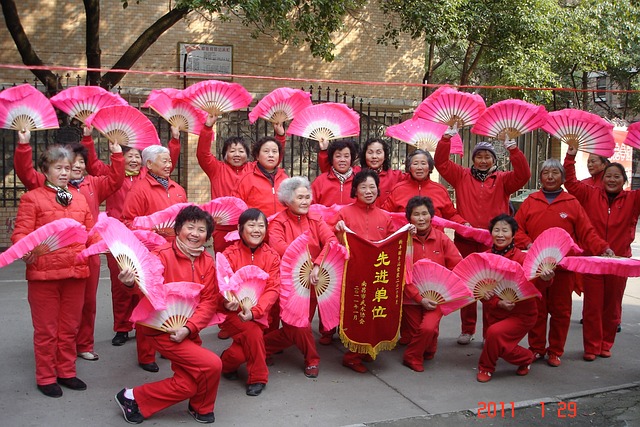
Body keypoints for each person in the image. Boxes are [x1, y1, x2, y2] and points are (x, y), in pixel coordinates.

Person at [14, 129, 124, 361]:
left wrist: (117, 154)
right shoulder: (42, 187)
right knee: (55, 311)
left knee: (87, 303)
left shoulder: (93, 184)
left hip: (86, 254)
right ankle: (56, 350)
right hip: (52, 257)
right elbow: (25, 172)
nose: (74, 167)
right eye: (67, 164)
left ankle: (83, 344)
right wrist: (24, 145)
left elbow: (116, 180)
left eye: (80, 162)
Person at [115, 206, 222, 424]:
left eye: (201, 230)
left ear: (208, 236)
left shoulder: (208, 261)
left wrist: (189, 328)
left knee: (189, 383)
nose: (194, 233)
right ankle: (201, 406)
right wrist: (129, 283)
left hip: (188, 328)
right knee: (212, 364)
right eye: (189, 227)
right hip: (160, 330)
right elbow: (144, 288)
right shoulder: (161, 256)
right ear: (177, 229)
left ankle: (133, 398)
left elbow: (209, 301)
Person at [82, 127, 179, 348]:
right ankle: (122, 327)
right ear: (120, 158)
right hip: (119, 238)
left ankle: (144, 324)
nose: (134, 159)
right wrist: (88, 138)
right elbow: (92, 163)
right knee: (122, 285)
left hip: (147, 238)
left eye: (138, 156)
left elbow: (165, 161)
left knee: (147, 283)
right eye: (129, 156)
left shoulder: (148, 177)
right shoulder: (111, 176)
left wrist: (174, 140)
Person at [12, 145, 94, 398]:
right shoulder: (32, 198)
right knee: (47, 329)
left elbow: (92, 232)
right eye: (58, 168)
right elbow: (21, 233)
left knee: (70, 326)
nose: (64, 172)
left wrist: (104, 245)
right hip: (44, 275)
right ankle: (46, 376)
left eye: (67, 168)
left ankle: (66, 371)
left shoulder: (79, 198)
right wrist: (23, 249)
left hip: (75, 272)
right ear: (45, 170)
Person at [434, 132, 531, 346]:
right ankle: (467, 329)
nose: (483, 160)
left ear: (494, 160)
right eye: (480, 156)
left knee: (492, 287)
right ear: (473, 159)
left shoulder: (504, 179)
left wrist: (514, 150)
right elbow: (440, 163)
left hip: (494, 242)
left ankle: (490, 331)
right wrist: (446, 140)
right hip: (466, 240)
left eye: (488, 156)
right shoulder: (461, 175)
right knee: (468, 285)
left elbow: (524, 175)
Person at [514, 159, 612, 367]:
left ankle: (555, 350)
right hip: (537, 268)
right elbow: (517, 229)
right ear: (540, 177)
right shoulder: (531, 201)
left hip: (564, 268)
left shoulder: (572, 202)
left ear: (563, 177)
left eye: (554, 173)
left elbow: (587, 232)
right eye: (545, 173)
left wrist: (603, 248)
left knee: (561, 311)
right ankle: (536, 348)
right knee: (537, 310)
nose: (550, 177)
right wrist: (528, 242)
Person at [564, 147, 640, 360]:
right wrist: (570, 156)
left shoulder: (633, 199)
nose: (612, 180)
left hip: (619, 262)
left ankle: (606, 343)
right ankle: (591, 347)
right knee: (592, 307)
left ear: (624, 181)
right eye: (609, 176)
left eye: (617, 176)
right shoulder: (590, 193)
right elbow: (569, 182)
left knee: (612, 306)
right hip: (593, 259)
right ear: (602, 177)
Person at [120, 145, 188, 372]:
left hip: (176, 251)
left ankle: (166, 343)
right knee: (149, 301)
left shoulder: (178, 189)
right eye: (164, 161)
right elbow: (128, 223)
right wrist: (154, 232)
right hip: (150, 253)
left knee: (171, 299)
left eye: (170, 161)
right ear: (148, 165)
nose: (169, 164)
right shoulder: (139, 189)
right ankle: (146, 354)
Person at [264, 177, 338, 376]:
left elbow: (331, 241)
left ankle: (262, 348)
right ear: (287, 200)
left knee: (300, 324)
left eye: (308, 197)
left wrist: (316, 264)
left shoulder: (315, 219)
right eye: (300, 198)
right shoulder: (278, 222)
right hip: (286, 280)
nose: (306, 201)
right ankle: (308, 357)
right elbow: (278, 246)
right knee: (289, 324)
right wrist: (302, 261)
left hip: (312, 279)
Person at [333, 170, 396, 372]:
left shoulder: (385, 217)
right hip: (352, 274)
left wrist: (408, 234)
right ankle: (352, 355)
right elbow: (331, 240)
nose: (368, 191)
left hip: (378, 276)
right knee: (357, 313)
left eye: (372, 187)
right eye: (363, 187)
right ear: (355, 190)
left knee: (374, 312)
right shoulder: (344, 214)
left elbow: (393, 243)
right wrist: (337, 229)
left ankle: (367, 348)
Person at [218, 208, 280, 396]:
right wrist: (228, 302)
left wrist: (256, 311)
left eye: (261, 225)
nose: (256, 230)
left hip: (258, 313)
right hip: (232, 314)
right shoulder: (229, 255)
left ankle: (226, 362)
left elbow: (273, 288)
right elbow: (223, 284)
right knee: (253, 334)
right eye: (251, 225)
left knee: (240, 352)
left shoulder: (272, 256)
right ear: (240, 228)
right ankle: (258, 377)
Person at [476, 214, 545, 382]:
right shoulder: (484, 258)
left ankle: (486, 368)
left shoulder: (523, 259)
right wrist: (496, 302)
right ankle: (526, 358)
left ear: (513, 235)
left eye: (505, 231)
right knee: (499, 345)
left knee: (493, 334)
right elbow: (479, 290)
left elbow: (537, 288)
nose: (500, 235)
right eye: (496, 230)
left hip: (522, 313)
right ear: (490, 233)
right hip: (496, 311)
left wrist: (546, 278)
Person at [401, 196, 462, 372]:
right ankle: (417, 353)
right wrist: (418, 298)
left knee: (428, 329)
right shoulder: (404, 241)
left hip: (436, 296)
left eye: (424, 214)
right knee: (416, 334)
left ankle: (412, 355)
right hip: (411, 297)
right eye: (416, 214)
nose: (421, 218)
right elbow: (402, 273)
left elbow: (457, 265)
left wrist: (448, 288)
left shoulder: (442, 239)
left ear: (431, 216)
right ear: (409, 218)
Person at [382, 149, 466, 224]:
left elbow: (451, 215)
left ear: (429, 167)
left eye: (423, 163)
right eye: (415, 164)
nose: (419, 168)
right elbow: (384, 214)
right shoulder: (398, 189)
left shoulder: (440, 190)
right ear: (409, 168)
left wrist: (464, 223)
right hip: (406, 238)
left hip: (434, 238)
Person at [317, 138, 405, 206]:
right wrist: (324, 151)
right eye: (370, 152)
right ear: (364, 155)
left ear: (385, 155)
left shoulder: (395, 175)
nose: (374, 156)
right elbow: (333, 171)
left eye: (378, 152)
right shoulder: (357, 173)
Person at [233, 137, 289, 218]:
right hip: (256, 227)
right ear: (257, 156)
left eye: (274, 152)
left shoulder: (285, 178)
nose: (271, 155)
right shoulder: (246, 177)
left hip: (281, 227)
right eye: (266, 151)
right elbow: (236, 206)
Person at [312, 139, 359, 206]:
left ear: (351, 158)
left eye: (346, 156)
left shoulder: (359, 180)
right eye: (338, 156)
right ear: (332, 158)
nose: (342, 160)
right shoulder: (320, 181)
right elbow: (310, 206)